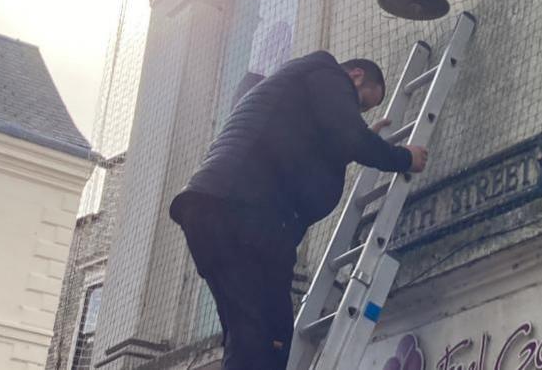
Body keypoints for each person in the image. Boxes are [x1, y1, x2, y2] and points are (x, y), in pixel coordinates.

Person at [169, 50, 428, 370]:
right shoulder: (327, 72)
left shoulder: (295, 90)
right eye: (361, 104)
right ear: (356, 75)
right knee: (268, 335)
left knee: (248, 333)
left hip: (212, 211)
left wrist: (351, 144)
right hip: (243, 214)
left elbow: (301, 149)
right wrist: (403, 158)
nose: (359, 112)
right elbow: (346, 134)